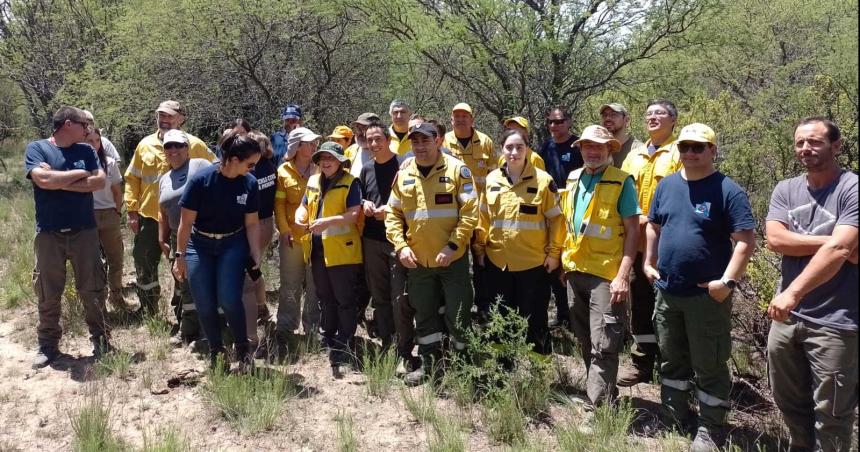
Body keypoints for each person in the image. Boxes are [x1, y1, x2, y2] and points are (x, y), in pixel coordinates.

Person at [644, 123, 755, 451]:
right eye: (685, 147)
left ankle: (711, 428)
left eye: (698, 147)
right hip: (667, 291)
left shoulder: (727, 190)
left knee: (709, 363)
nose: (690, 153)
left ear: (712, 151)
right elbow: (653, 225)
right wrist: (648, 263)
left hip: (706, 296)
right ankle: (673, 415)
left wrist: (727, 282)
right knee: (671, 358)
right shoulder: (666, 186)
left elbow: (745, 242)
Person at [765, 117, 858, 452]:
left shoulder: (852, 188)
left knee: (832, 413)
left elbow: (842, 249)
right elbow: (774, 239)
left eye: (815, 141)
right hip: (787, 318)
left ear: (836, 146)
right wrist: (836, 244)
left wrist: (793, 292)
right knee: (790, 403)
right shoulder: (786, 189)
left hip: (837, 321)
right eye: (800, 142)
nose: (806, 148)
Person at [386, 122, 478, 384]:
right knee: (424, 314)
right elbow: (392, 214)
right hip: (419, 262)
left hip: (453, 260)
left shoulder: (458, 170)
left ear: (438, 141)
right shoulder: (404, 174)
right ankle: (430, 364)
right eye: (415, 142)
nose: (420, 146)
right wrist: (401, 246)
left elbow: (471, 213)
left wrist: (453, 245)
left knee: (457, 313)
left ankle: (461, 367)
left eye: (425, 141)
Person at [560, 125, 640, 407]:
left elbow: (633, 231)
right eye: (588, 146)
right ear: (580, 149)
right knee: (584, 339)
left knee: (603, 344)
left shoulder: (622, 181)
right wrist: (564, 264)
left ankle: (601, 406)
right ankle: (597, 394)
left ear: (609, 150)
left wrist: (622, 276)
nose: (593, 151)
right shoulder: (572, 179)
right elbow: (569, 226)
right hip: (574, 271)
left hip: (606, 275)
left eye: (599, 147)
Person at [26, 106, 111, 368]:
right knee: (48, 292)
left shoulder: (85, 150)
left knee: (93, 289)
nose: (87, 130)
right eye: (83, 125)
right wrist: (78, 174)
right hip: (49, 233)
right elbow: (41, 180)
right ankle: (47, 345)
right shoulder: (37, 148)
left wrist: (56, 179)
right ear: (66, 124)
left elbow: (99, 182)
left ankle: (101, 339)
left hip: (84, 231)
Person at [173, 130, 262, 370]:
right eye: (250, 163)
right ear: (234, 160)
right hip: (198, 245)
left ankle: (243, 350)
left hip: (232, 244)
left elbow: (252, 223)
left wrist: (255, 253)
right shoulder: (201, 181)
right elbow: (185, 223)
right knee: (204, 302)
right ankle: (216, 351)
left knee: (229, 298)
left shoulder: (249, 183)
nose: (253, 168)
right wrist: (179, 256)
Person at [474, 128, 563, 355]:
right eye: (509, 148)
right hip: (498, 263)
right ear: (501, 150)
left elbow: (556, 221)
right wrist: (480, 248)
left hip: (533, 264)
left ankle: (539, 372)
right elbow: (483, 217)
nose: (514, 152)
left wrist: (554, 254)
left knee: (535, 321)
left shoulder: (543, 181)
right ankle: (503, 369)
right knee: (500, 319)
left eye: (519, 147)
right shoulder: (492, 179)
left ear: (528, 150)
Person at [125, 100, 215, 316]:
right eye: (160, 116)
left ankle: (183, 315)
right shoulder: (144, 145)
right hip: (149, 216)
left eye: (169, 116)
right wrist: (131, 211)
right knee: (143, 262)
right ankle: (148, 309)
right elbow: (132, 179)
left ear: (181, 118)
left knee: (182, 267)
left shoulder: (195, 145)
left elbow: (215, 171)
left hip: (182, 220)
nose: (164, 120)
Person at [617, 98, 683, 386]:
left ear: (673, 120)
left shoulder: (680, 152)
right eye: (649, 114)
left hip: (668, 245)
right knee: (641, 307)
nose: (653, 118)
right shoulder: (634, 155)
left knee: (669, 309)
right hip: (636, 244)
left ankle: (675, 368)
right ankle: (641, 363)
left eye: (660, 113)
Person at [295, 142, 363, 378]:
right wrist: (300, 215)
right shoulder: (314, 181)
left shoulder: (350, 182)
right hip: (317, 249)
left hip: (343, 251)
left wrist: (327, 222)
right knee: (325, 296)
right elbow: (304, 205)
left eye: (331, 158)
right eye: (322, 157)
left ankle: (345, 341)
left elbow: (354, 215)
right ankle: (328, 335)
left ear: (340, 161)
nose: (326, 162)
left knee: (344, 298)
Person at [358, 122, 417, 369]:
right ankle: (387, 343)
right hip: (371, 240)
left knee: (399, 297)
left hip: (397, 241)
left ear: (388, 139)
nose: (373, 144)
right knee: (380, 296)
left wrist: (391, 211)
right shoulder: (366, 169)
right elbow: (358, 196)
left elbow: (414, 201)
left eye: (377, 139)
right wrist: (364, 204)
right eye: (369, 140)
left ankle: (405, 349)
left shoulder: (403, 165)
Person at [157, 130, 211, 345]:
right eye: (168, 147)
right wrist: (162, 238)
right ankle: (188, 330)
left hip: (201, 235)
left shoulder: (200, 165)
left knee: (203, 285)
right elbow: (162, 211)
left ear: (187, 148)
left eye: (178, 146)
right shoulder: (164, 179)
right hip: (176, 239)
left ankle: (210, 332)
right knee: (184, 287)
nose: (173, 151)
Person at [442, 102, 496, 320]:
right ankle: (456, 307)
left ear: (472, 119)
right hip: (453, 214)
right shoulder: (444, 140)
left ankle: (485, 306)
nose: (461, 119)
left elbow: (493, 176)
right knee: (457, 262)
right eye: (457, 116)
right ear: (451, 120)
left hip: (482, 212)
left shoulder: (485, 142)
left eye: (465, 116)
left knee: (482, 261)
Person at [274, 127, 321, 352]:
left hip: (316, 237)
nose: (313, 147)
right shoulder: (283, 171)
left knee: (315, 284)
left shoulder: (321, 168)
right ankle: (285, 327)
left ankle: (313, 328)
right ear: (297, 147)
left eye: (314, 143)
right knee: (290, 283)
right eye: (308, 143)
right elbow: (280, 205)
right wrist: (284, 230)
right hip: (292, 237)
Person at [538, 106, 583, 330]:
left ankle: (576, 318)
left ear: (569, 122)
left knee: (570, 264)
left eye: (559, 121)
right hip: (550, 212)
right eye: (551, 122)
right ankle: (562, 315)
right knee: (554, 267)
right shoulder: (545, 147)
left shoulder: (578, 146)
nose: (555, 126)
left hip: (574, 212)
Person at [241, 131, 277, 356]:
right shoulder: (270, 166)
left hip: (260, 223)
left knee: (250, 273)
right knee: (254, 270)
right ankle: (261, 306)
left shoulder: (258, 170)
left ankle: (252, 330)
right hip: (263, 222)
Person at [87, 128, 128, 311]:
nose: (94, 144)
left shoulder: (110, 163)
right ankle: (98, 303)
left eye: (97, 140)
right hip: (87, 217)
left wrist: (117, 212)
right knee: (93, 261)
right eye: (89, 140)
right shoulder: (76, 165)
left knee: (116, 258)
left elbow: (117, 192)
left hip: (109, 214)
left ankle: (116, 296)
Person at [345, 112, 381, 177]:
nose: (360, 133)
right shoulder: (351, 150)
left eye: (364, 128)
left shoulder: (385, 150)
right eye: (358, 128)